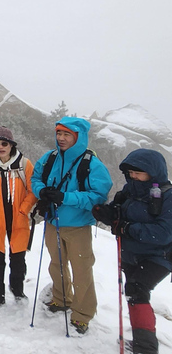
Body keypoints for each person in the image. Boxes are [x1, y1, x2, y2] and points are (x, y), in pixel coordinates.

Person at [31, 117, 111, 335]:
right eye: (59, 134)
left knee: (81, 270)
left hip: (78, 226)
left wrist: (65, 197)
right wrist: (42, 191)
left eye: (67, 134)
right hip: (51, 221)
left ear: (78, 136)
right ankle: (61, 298)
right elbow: (35, 178)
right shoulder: (50, 158)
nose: (61, 138)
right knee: (56, 264)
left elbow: (98, 196)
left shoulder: (91, 163)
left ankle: (82, 315)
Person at [92, 149, 172, 354]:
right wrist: (106, 214)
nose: (133, 176)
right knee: (133, 293)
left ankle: (146, 348)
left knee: (137, 290)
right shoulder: (129, 191)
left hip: (159, 256)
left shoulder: (167, 196)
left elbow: (164, 233)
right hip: (131, 253)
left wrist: (127, 228)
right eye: (130, 172)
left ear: (153, 172)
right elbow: (118, 212)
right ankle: (141, 342)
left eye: (139, 172)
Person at [0, 126, 37, 311]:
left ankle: (18, 291)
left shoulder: (24, 163)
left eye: (4, 143)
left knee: (18, 259)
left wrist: (24, 209)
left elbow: (33, 190)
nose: (0, 147)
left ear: (11, 144)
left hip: (18, 219)